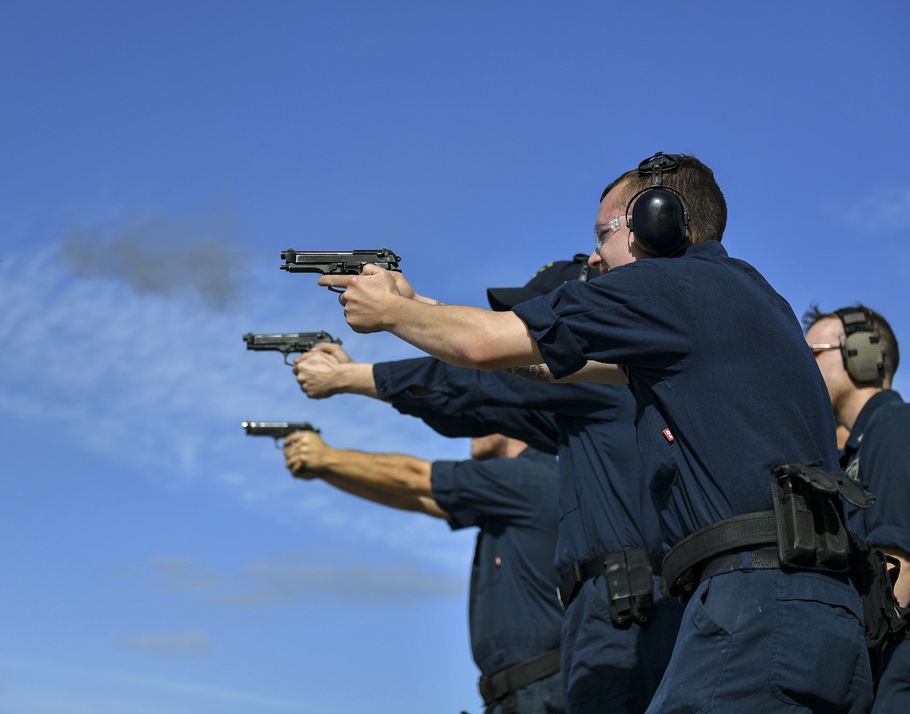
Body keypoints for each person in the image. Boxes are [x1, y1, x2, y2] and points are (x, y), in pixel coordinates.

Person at [318, 152, 875, 712]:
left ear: (656, 223)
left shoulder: (668, 287)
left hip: (754, 608)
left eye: (603, 233)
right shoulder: (747, 298)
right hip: (824, 615)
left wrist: (390, 316)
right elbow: (540, 360)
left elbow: (483, 344)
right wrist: (420, 306)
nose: (592, 255)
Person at [294, 256, 682, 714]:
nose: (519, 331)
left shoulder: (600, 377)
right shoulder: (585, 408)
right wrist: (414, 308)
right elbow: (477, 401)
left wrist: (351, 377)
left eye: (533, 317)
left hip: (624, 614)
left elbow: (479, 381)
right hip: (615, 613)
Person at [281, 430, 565, 714]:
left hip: (538, 690)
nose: (468, 429)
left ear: (509, 422)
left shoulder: (525, 477)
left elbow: (415, 476)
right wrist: (327, 471)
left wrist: (327, 457)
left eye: (481, 420)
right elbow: (416, 498)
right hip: (524, 692)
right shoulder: (512, 490)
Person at [804, 305, 910, 712]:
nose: (803, 366)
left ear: (862, 356)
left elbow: (899, 559)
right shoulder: (854, 451)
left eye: (813, 354)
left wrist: (848, 666)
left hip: (894, 663)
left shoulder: (894, 424)